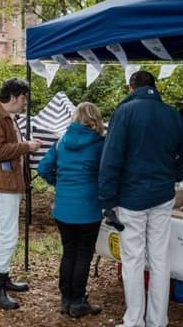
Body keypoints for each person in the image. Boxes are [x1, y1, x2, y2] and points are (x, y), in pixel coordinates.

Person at [98, 71, 183, 327]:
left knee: (133, 260)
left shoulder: (125, 112)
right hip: (162, 196)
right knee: (160, 259)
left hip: (132, 197)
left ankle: (134, 321)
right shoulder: (172, 114)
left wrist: (107, 200)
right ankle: (158, 320)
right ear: (154, 87)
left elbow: (111, 159)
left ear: (132, 88)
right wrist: (171, 175)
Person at [0, 78, 42, 310]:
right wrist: (27, 146)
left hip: (7, 181)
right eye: (23, 98)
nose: (24, 103)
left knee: (7, 232)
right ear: (13, 97)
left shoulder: (2, 114)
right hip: (1, 183)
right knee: (7, 234)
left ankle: (4, 278)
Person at [38, 102, 105, 318]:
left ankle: (66, 298)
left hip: (64, 207)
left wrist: (59, 183)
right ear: (96, 120)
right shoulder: (100, 144)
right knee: (83, 254)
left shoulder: (62, 142)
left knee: (69, 252)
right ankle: (78, 301)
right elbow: (108, 173)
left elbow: (43, 168)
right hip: (88, 206)